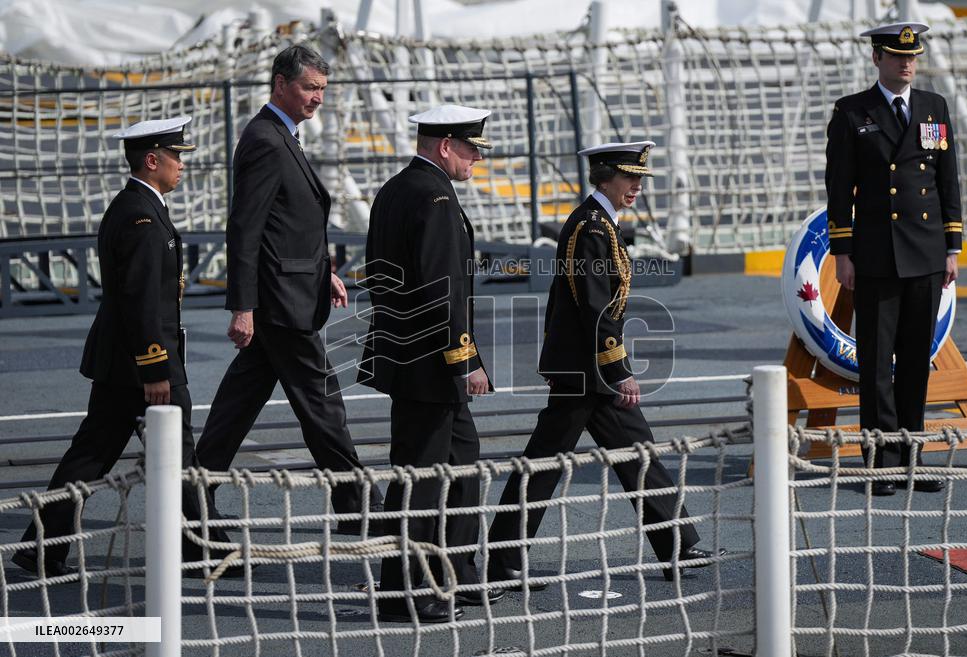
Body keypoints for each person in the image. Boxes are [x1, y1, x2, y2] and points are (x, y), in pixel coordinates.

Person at [486, 142, 725, 588]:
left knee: (637, 454)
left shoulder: (600, 224)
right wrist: (619, 369)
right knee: (544, 464)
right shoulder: (592, 227)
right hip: (585, 370)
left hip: (587, 366)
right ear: (604, 177)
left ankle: (678, 546)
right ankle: (502, 563)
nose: (636, 186)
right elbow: (595, 307)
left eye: (639, 179)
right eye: (628, 178)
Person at [11, 117, 231, 577]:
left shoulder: (136, 208)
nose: (181, 166)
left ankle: (41, 546)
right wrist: (156, 368)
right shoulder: (142, 218)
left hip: (122, 363)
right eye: (176, 157)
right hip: (143, 367)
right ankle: (202, 547)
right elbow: (141, 301)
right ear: (152, 160)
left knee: (93, 456)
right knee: (175, 456)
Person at [194, 45, 381, 531]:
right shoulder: (266, 139)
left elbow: (287, 227)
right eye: (309, 87)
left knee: (235, 411)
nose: (318, 98)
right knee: (323, 405)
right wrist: (243, 307)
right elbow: (246, 228)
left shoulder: (282, 136)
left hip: (290, 296)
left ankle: (190, 500)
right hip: (280, 308)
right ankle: (361, 508)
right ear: (281, 84)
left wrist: (325, 273)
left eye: (322, 89)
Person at [359, 104, 504, 623]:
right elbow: (444, 291)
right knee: (419, 478)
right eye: (470, 149)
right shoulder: (436, 197)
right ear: (445, 146)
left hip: (410, 355)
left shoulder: (396, 189)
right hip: (432, 363)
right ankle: (403, 591)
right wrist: (465, 360)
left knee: (463, 465)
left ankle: (459, 576)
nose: (475, 160)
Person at [826, 22, 960, 496]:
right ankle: (880, 463)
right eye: (897, 56)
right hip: (877, 255)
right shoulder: (851, 112)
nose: (907, 64)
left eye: (912, 57)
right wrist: (842, 251)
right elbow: (839, 188)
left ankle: (912, 458)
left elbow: (948, 180)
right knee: (878, 363)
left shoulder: (933, 107)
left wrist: (952, 247)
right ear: (877, 59)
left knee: (916, 363)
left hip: (924, 253)